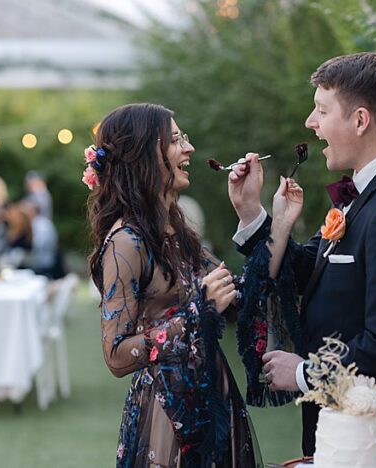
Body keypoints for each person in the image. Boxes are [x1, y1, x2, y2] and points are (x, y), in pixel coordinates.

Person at [229, 52, 376, 455]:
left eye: (321, 110)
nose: (310, 122)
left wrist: (303, 373)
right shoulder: (367, 191)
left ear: (359, 120)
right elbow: (310, 275)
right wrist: (258, 215)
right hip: (343, 430)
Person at [86, 103, 265, 467]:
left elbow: (241, 292)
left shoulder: (175, 229)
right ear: (143, 155)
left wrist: (253, 213)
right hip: (168, 416)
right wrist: (198, 310)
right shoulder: (126, 242)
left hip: (211, 399)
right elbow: (116, 356)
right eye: (175, 139)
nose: (189, 148)